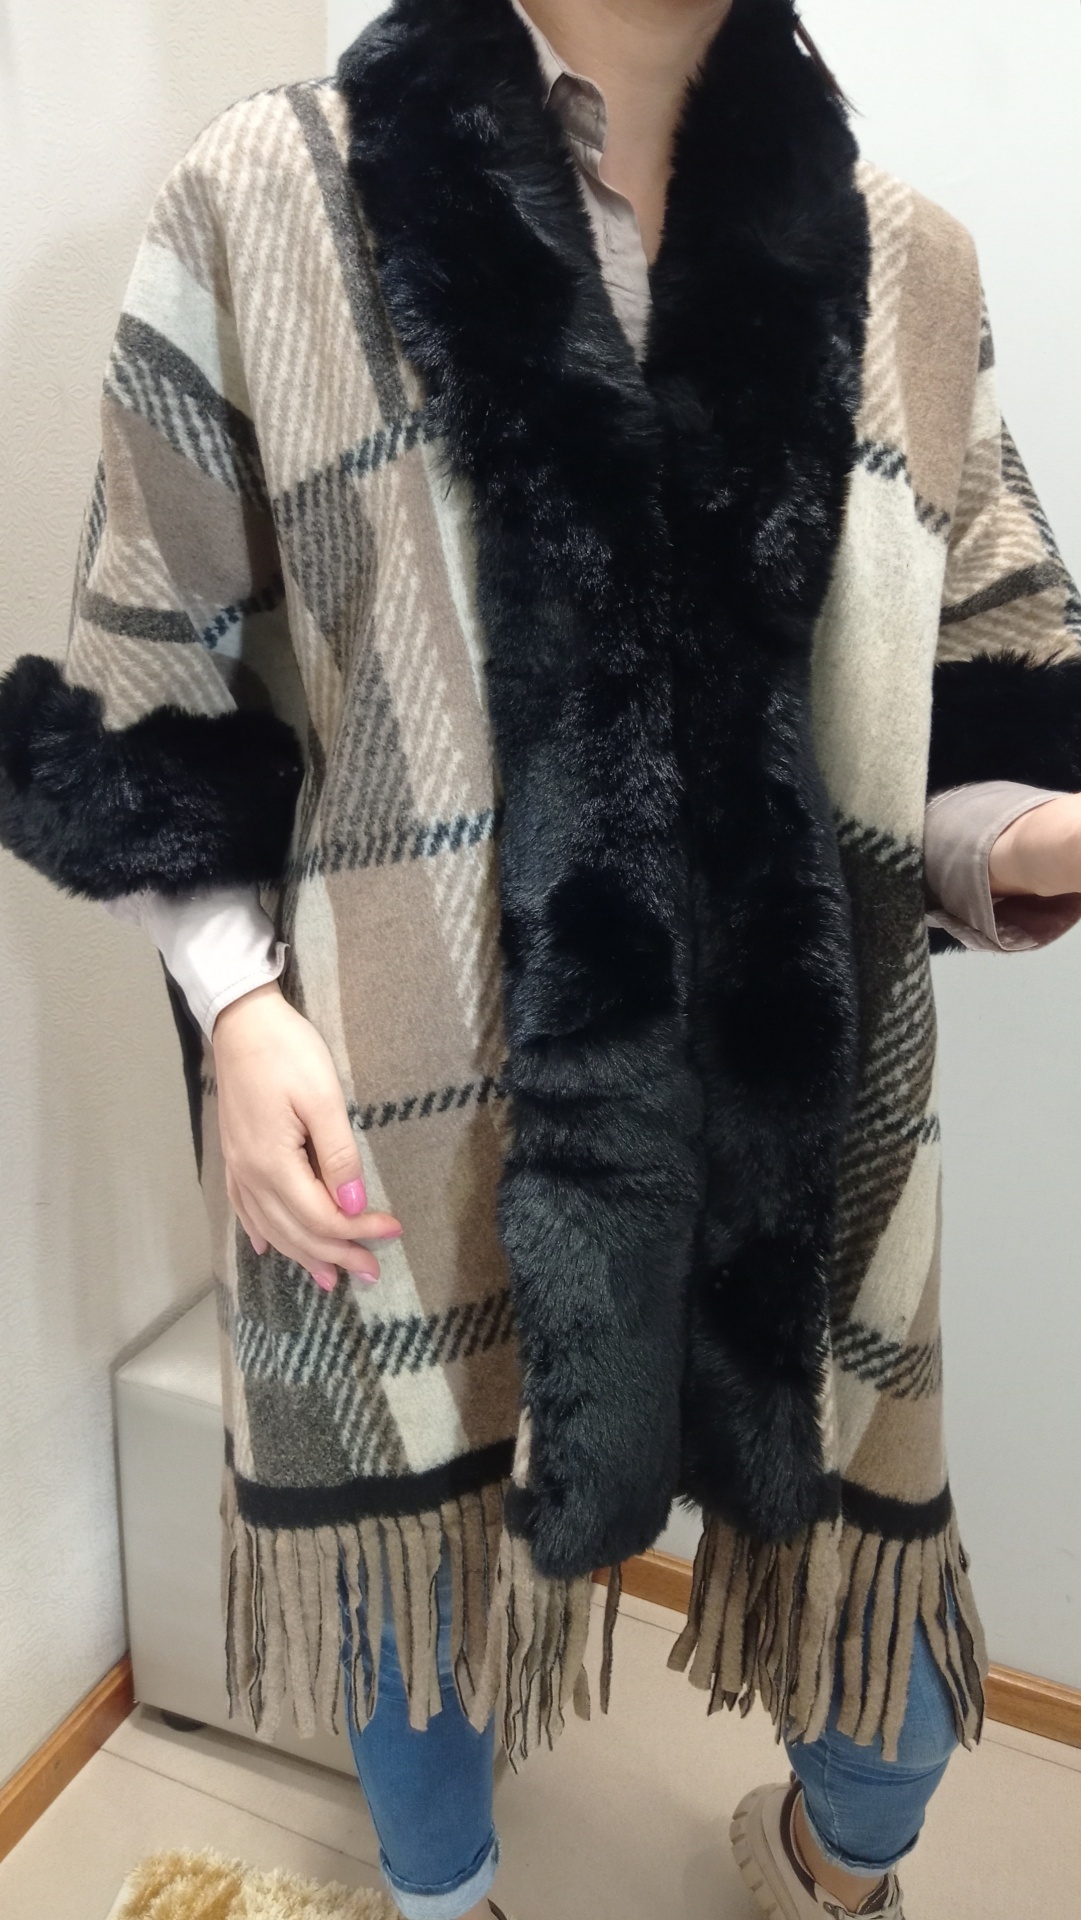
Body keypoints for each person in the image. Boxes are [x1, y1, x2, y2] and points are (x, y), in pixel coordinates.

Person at [2, 2, 1081, 1916]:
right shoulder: (274, 193)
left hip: (797, 1109)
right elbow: (151, 662)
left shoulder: (905, 263)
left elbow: (963, 713)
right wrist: (238, 1009)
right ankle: (444, 1899)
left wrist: (1037, 836)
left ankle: (830, 1865)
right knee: (414, 1575)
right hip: (403, 1064)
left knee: (890, 1668)